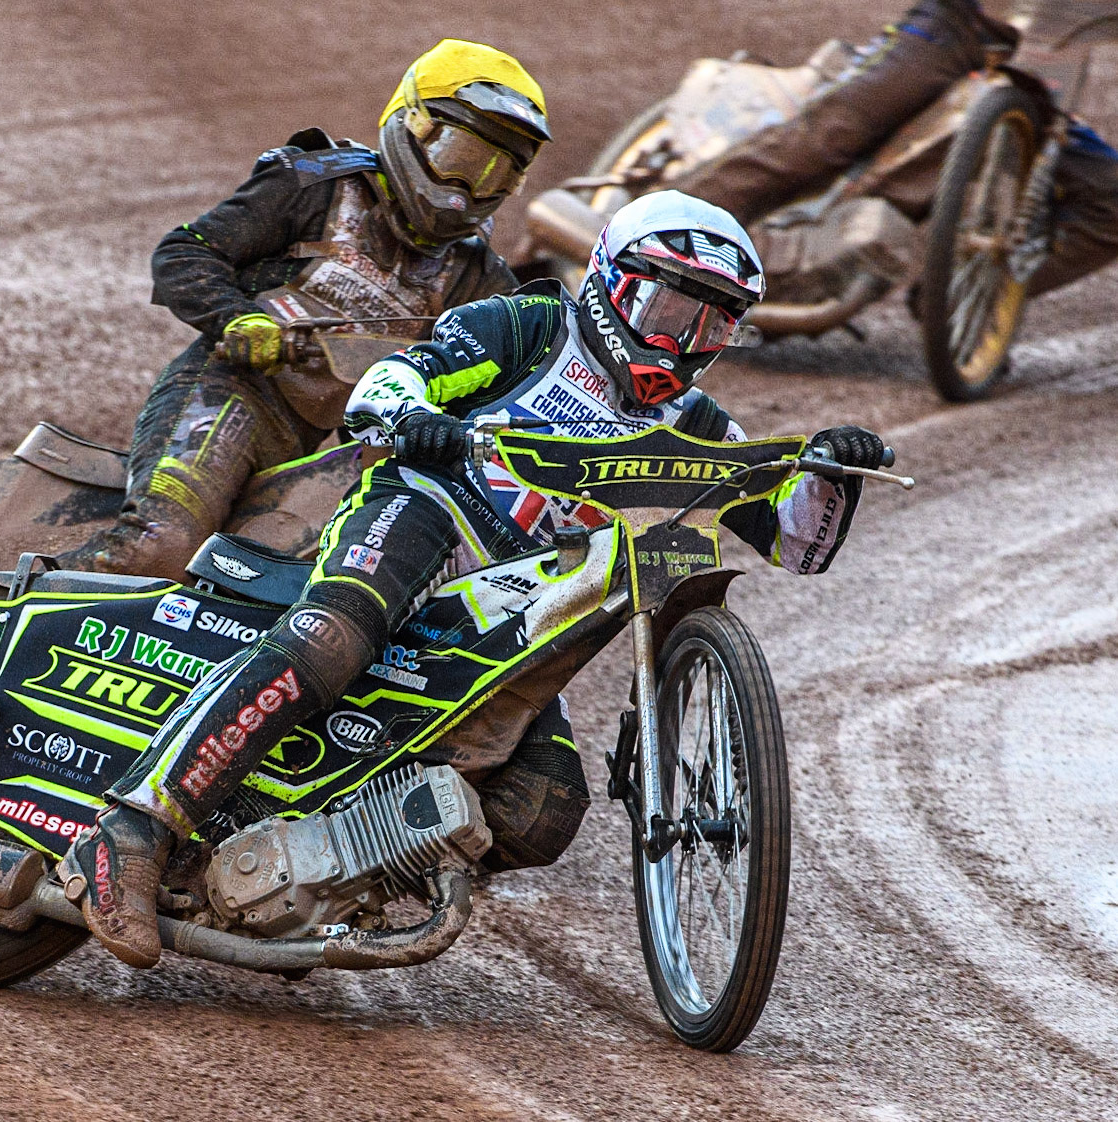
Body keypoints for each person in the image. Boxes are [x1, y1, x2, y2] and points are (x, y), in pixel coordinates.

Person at [59, 190, 889, 968]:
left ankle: (336, 872)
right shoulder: (528, 326)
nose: (681, 342)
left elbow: (796, 545)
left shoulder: (696, 424)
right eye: (667, 309)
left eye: (712, 326)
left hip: (518, 598)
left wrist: (830, 471)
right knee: (332, 636)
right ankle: (129, 832)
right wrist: (413, 419)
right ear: (610, 283)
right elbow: (399, 376)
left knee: (544, 807)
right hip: (428, 511)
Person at [55, 40, 551, 582]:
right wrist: (236, 319)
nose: (467, 193)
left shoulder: (480, 277)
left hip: (355, 451)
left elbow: (528, 371)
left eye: (498, 177)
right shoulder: (314, 184)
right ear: (412, 124)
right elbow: (186, 251)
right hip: (234, 395)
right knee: (160, 551)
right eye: (461, 160)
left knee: (329, 587)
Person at [666, 0, 1118, 296]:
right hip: (958, 29)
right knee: (833, 133)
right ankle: (665, 230)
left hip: (1041, 80)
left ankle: (964, 300)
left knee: (1111, 198)